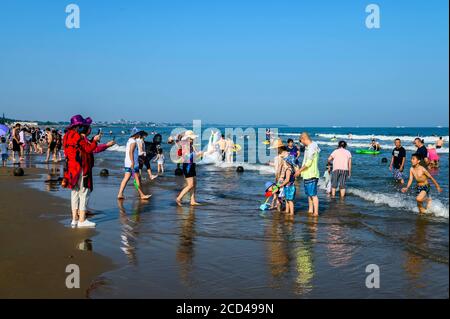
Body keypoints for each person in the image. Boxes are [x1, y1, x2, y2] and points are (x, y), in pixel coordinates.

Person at [62, 115, 106, 228]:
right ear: (79, 126)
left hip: (70, 168)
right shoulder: (77, 137)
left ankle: (74, 219)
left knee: (74, 192)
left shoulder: (66, 136)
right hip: (80, 167)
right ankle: (82, 220)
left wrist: (91, 141)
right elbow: (88, 149)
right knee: (84, 192)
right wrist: (95, 141)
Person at [117, 128, 152, 200]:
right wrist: (133, 162)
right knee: (137, 179)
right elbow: (131, 152)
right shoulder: (133, 142)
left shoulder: (129, 140)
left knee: (126, 178)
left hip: (127, 163)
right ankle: (142, 195)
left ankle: (120, 194)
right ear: (135, 134)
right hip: (133, 163)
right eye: (138, 133)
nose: (139, 135)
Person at [295, 132, 320, 216]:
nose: (302, 143)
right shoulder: (310, 146)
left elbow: (308, 163)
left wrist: (299, 171)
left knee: (313, 194)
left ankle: (316, 212)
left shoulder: (311, 147)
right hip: (307, 174)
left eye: (301, 141)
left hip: (311, 174)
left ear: (304, 139)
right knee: (309, 194)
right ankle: (310, 210)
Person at [176, 130, 203, 206]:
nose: (193, 139)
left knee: (194, 183)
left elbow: (194, 155)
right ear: (188, 138)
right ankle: (179, 198)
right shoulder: (186, 145)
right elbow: (187, 157)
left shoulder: (191, 145)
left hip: (192, 165)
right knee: (190, 185)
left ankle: (192, 200)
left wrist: (202, 153)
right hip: (187, 166)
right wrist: (198, 154)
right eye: (192, 138)